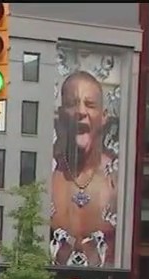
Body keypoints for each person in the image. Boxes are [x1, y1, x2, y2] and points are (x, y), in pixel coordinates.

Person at [50, 69, 118, 268]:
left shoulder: (118, 178)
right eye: (72, 104)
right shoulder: (46, 174)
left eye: (90, 105)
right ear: (61, 115)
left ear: (104, 117)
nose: (81, 112)